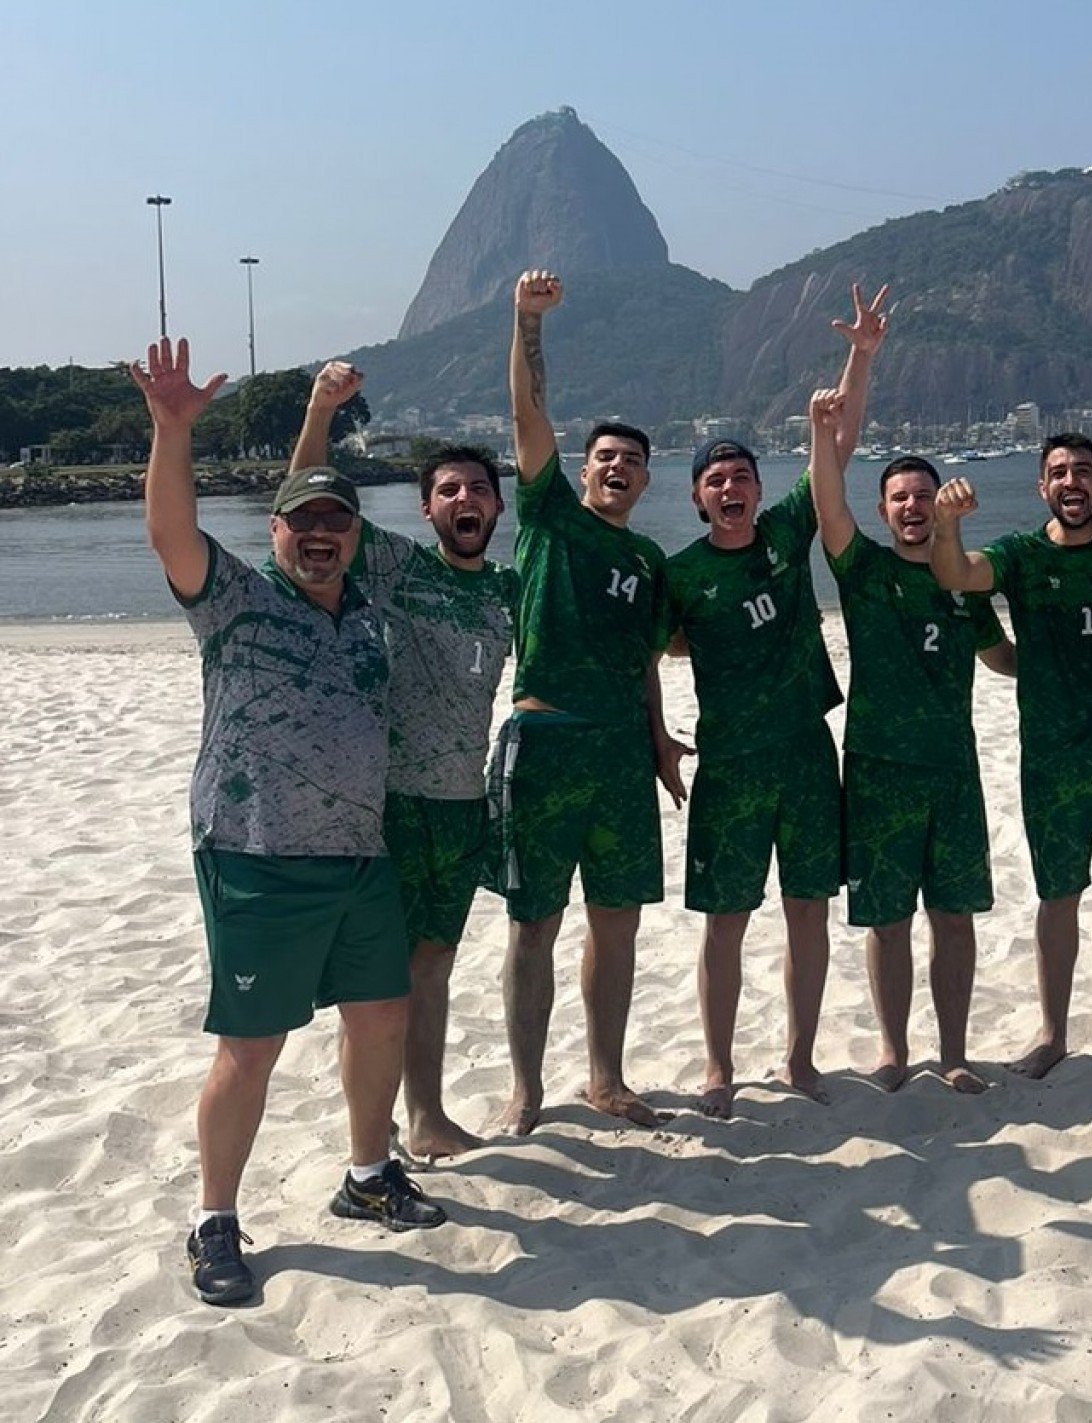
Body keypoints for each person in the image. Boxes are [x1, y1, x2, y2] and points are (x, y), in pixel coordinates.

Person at [134, 338, 444, 1309]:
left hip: (360, 857)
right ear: (272, 531)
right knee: (252, 1046)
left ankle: (365, 1173)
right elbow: (170, 529)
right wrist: (171, 430)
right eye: (302, 521)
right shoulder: (230, 601)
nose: (321, 533)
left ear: (354, 534)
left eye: (336, 522)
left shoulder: (366, 611)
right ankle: (215, 1218)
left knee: (381, 1017)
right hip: (257, 857)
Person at [288, 361, 519, 1160]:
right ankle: (374, 1126)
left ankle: (425, 1114)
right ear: (426, 508)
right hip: (389, 803)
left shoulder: (512, 592)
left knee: (432, 972)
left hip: (463, 808)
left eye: (478, 490)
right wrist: (321, 407)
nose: (465, 500)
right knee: (373, 981)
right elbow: (303, 498)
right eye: (449, 490)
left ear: (498, 505)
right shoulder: (396, 569)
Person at [662, 295, 874, 1117]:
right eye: (715, 480)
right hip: (730, 764)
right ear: (698, 499)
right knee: (725, 921)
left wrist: (861, 357)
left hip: (805, 752)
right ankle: (718, 1065)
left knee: (807, 912)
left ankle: (798, 1056)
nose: (731, 487)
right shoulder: (681, 573)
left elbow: (841, 446)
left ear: (758, 488)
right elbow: (655, 649)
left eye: (741, 476)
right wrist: (656, 736)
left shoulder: (789, 534)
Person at [807, 288, 1018, 1093]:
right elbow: (829, 503)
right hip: (880, 766)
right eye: (898, 498)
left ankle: (954, 1048)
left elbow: (1001, 658)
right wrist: (825, 432)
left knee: (954, 916)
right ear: (885, 508)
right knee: (887, 919)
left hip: (953, 769)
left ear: (939, 505)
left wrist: (1072, 659)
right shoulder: (860, 573)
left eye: (923, 497)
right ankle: (895, 1050)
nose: (911, 507)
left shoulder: (963, 578)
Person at [928, 435, 1092, 1077]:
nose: (1070, 481)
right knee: (1059, 897)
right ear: (1041, 489)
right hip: (1051, 757)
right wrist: (946, 524)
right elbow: (957, 575)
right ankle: (1052, 1033)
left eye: (1082, 471)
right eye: (1057, 473)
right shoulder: (1020, 554)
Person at [498, 269, 689, 1134]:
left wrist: (657, 743)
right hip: (545, 743)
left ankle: (605, 1077)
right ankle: (526, 1088)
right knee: (533, 926)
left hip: (619, 757)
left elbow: (648, 659)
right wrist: (527, 323)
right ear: (583, 470)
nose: (619, 468)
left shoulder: (649, 560)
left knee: (616, 926)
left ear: (647, 480)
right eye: (606, 457)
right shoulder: (546, 517)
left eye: (633, 461)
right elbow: (527, 416)